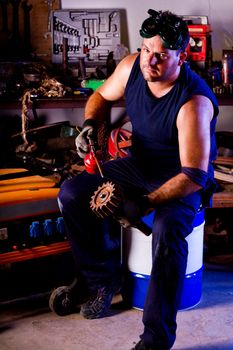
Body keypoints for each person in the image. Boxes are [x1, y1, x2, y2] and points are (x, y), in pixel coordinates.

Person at [58, 9, 219, 350]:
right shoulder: (132, 67)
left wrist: (143, 204)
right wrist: (91, 125)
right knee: (72, 194)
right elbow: (101, 96)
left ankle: (156, 338)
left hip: (180, 178)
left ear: (181, 56)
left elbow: (194, 174)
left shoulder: (193, 102)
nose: (150, 60)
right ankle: (98, 280)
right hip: (140, 165)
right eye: (146, 49)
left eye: (161, 54)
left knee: (166, 232)